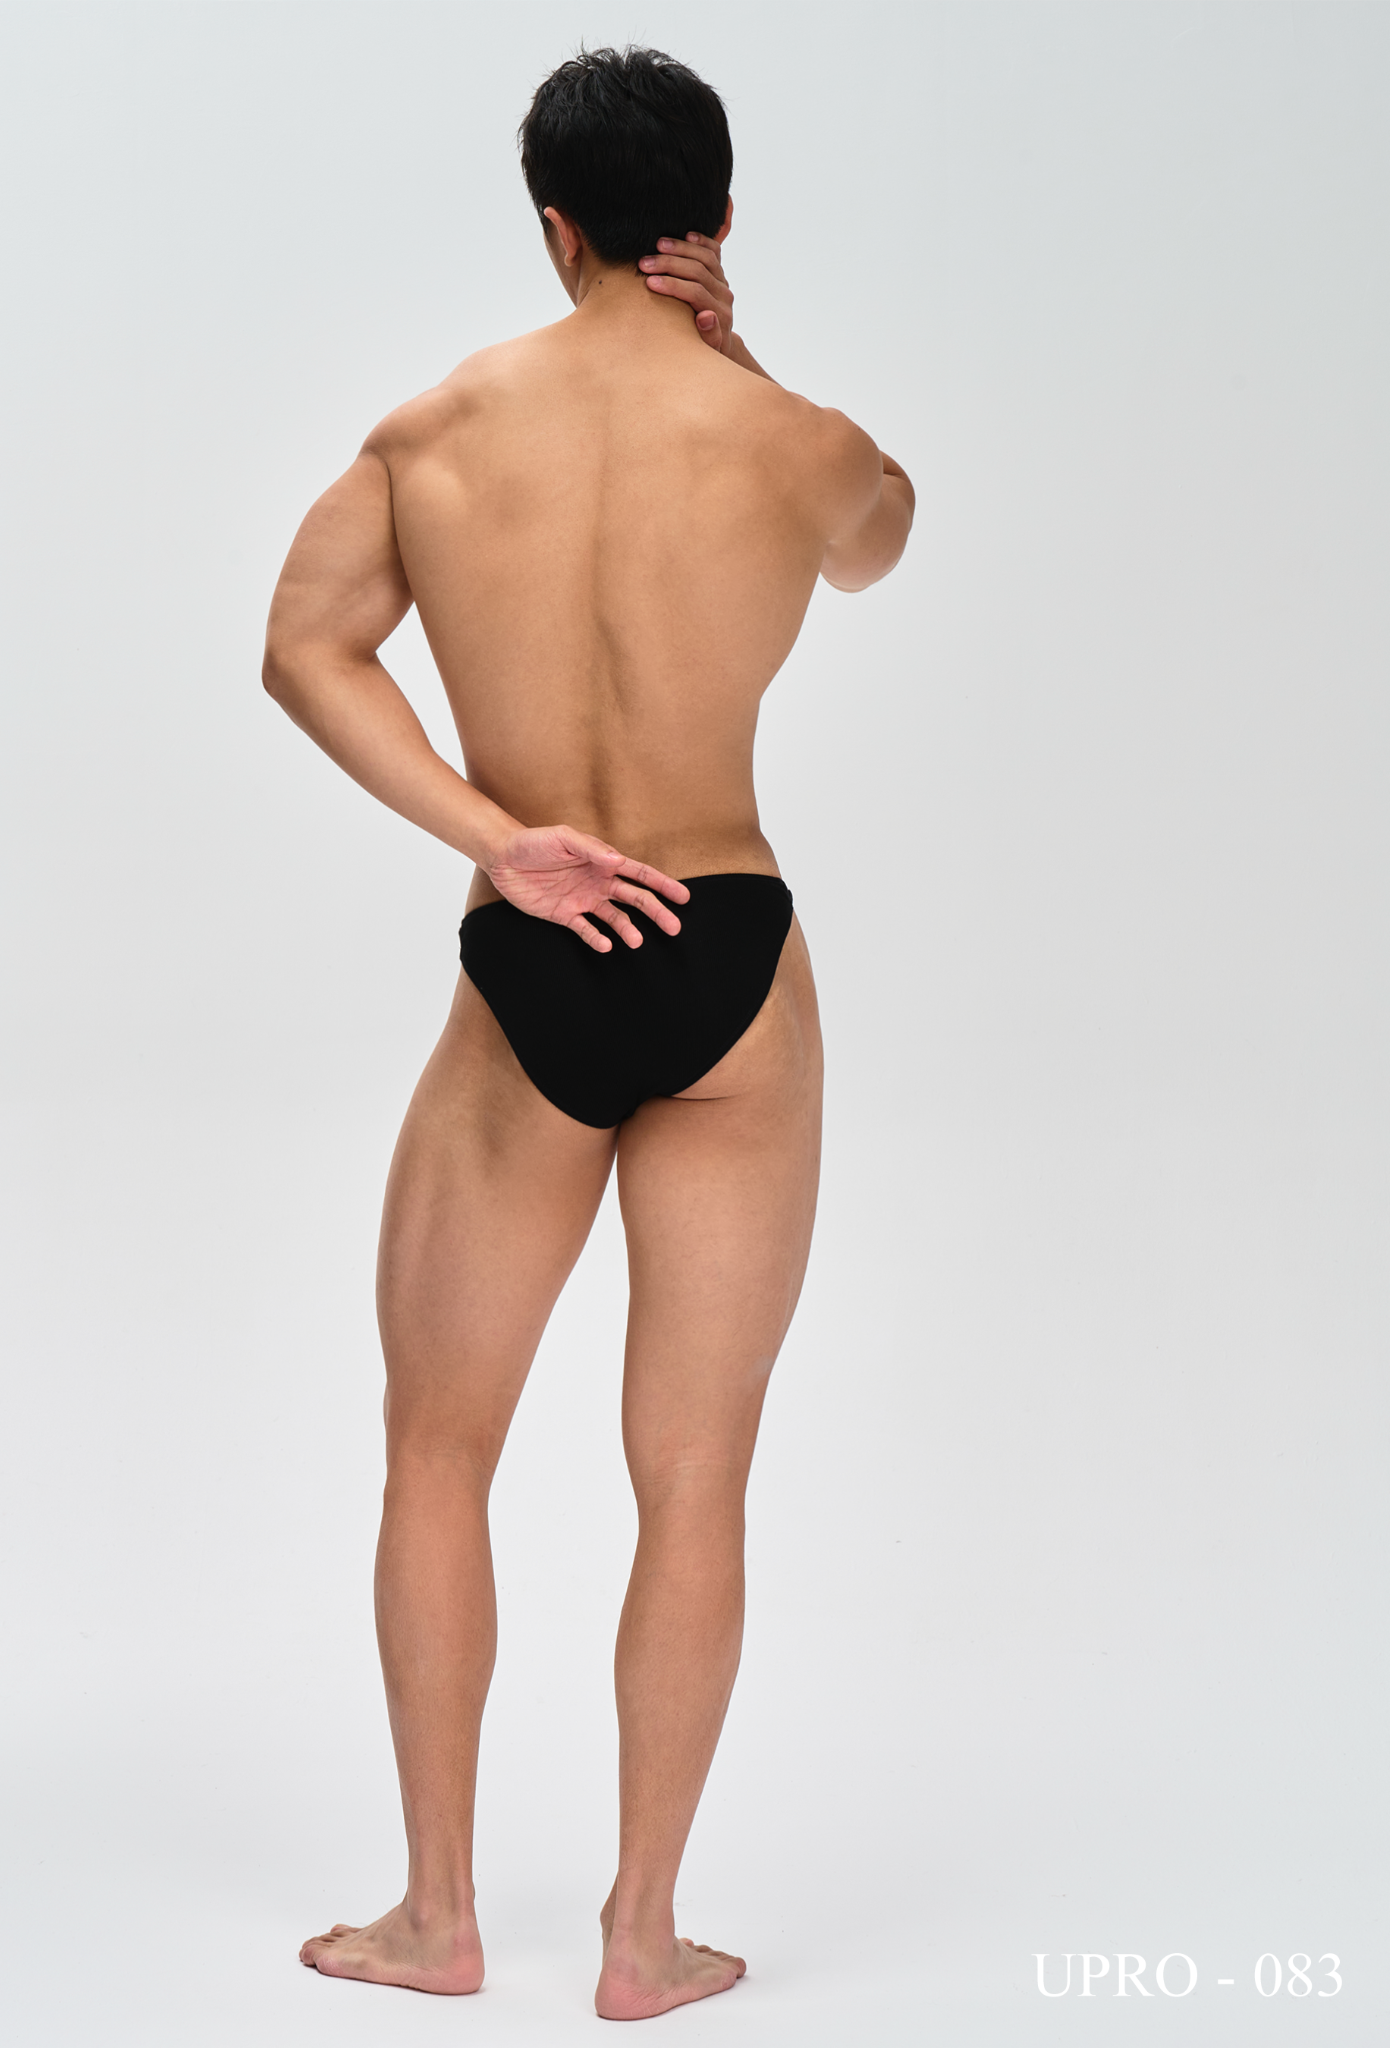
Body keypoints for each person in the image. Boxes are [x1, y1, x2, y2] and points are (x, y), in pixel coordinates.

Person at [262, 44, 914, 2022]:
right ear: (707, 221)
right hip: (732, 950)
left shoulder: (437, 430)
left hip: (530, 960)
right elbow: (879, 534)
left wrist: (498, 840)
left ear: (553, 224)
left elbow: (302, 648)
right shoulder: (788, 437)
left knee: (436, 1446)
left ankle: (435, 1918)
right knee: (694, 1475)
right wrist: (747, 351)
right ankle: (642, 1936)